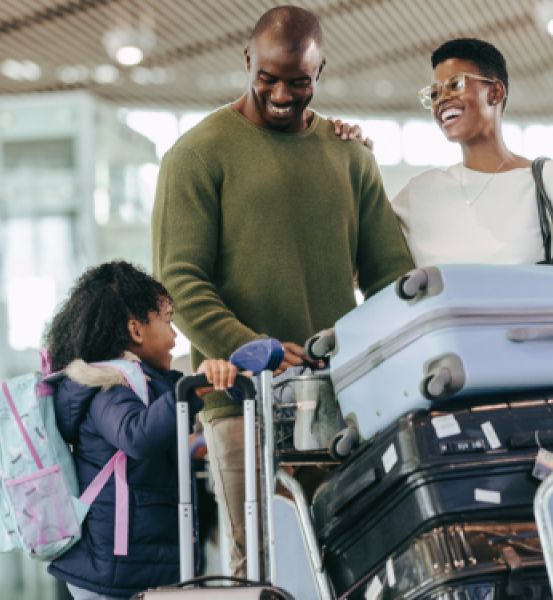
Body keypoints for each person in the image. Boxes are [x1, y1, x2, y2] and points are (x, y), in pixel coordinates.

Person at [151, 6, 415, 578]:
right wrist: (257, 348)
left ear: (319, 71)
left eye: (297, 81)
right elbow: (181, 280)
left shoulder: (349, 156)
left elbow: (390, 278)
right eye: (267, 77)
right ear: (247, 61)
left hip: (343, 400)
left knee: (358, 559)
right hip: (243, 403)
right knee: (269, 565)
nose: (279, 93)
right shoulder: (196, 155)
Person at [386, 38, 553, 302]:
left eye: (455, 84)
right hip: (449, 344)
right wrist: (351, 154)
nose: (442, 99)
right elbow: (358, 262)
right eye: (434, 93)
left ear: (495, 92)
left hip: (540, 342)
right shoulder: (419, 195)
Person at [45, 261, 239, 600]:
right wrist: (196, 388)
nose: (175, 337)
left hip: (129, 564)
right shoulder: (108, 386)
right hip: (113, 572)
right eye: (168, 322)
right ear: (136, 331)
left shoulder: (139, 385)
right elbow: (137, 434)